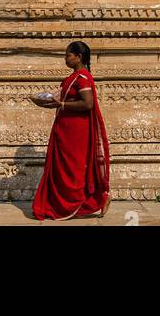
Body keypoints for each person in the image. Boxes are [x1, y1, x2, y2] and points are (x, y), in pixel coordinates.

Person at [30, 40, 110, 220]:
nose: (65, 59)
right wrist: (42, 102)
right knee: (62, 169)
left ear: (79, 57)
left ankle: (96, 199)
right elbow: (59, 102)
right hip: (64, 130)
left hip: (76, 132)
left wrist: (63, 104)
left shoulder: (83, 78)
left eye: (68, 55)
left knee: (73, 169)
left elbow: (87, 104)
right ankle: (59, 205)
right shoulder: (70, 79)